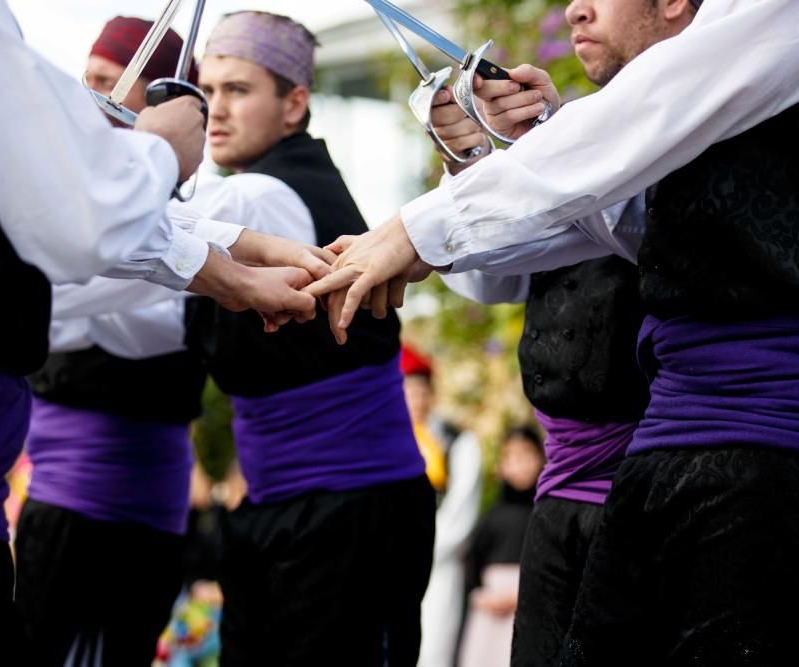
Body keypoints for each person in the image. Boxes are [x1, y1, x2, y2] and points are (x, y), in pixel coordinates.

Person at [0, 1, 321, 664]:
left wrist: (228, 268)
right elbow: (74, 221)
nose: (92, 95)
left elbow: (43, 206)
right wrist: (160, 150)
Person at [308, 1, 799, 663]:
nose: (575, 6)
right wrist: (490, 159)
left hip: (755, 459)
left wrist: (416, 229)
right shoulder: (631, 135)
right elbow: (599, 221)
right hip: (647, 468)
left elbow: (623, 140)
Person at [426, 1, 698, 663]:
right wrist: (476, 155)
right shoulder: (571, 141)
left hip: (665, 497)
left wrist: (556, 146)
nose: (575, 8)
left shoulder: (712, 127)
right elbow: (488, 279)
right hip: (559, 499)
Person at [186, 12, 435, 666]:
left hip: (341, 514)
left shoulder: (255, 197)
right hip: (326, 507)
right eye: (205, 90)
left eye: (237, 90)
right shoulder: (271, 186)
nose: (214, 110)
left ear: (295, 103)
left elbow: (124, 235)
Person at [12, 19, 210, 667]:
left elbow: (104, 308)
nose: (88, 98)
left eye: (107, 83)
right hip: (58, 504)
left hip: (130, 513)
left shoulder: (188, 214)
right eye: (90, 79)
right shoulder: (68, 201)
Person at [401, 346, 484, 667]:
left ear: (432, 394)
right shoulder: (386, 442)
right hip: (390, 559)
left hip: (438, 561)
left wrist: (419, 546)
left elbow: (461, 509)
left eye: (421, 392)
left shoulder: (457, 443)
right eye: (407, 392)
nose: (415, 401)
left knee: (434, 651)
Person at [458, 427, 544, 667]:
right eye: (512, 458)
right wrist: (479, 595)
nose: (520, 465)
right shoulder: (492, 516)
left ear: (541, 458)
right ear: (501, 465)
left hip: (527, 610)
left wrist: (521, 595)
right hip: (489, 613)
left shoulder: (545, 515)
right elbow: (472, 561)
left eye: (526, 455)